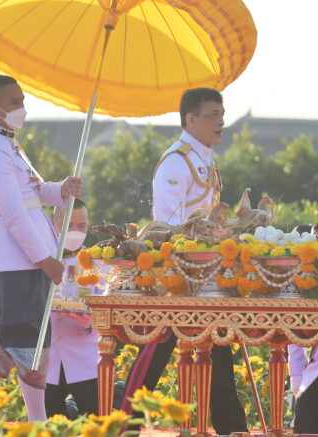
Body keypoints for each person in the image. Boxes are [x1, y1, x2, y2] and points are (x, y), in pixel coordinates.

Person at [0, 75, 84, 427]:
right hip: (12, 262)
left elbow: (33, 191)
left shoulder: (8, 143)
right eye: (13, 102)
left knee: (17, 348)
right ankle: (28, 423)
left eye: (21, 100)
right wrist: (43, 259)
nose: (20, 108)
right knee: (19, 348)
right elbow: (12, 212)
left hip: (23, 261)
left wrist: (62, 189)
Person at [121, 88, 248, 435]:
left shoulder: (203, 157)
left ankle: (231, 427)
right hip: (176, 280)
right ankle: (122, 422)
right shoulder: (177, 161)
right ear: (190, 119)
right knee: (155, 354)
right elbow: (167, 228)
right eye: (212, 115)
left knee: (219, 350)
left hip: (205, 277)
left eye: (222, 113)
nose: (221, 121)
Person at [44, 199, 101, 418]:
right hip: (46, 362)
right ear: (53, 224)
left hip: (86, 360)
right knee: (48, 427)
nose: (76, 231)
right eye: (68, 225)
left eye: (82, 226)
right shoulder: (38, 262)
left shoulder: (97, 263)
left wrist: (86, 319)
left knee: (96, 426)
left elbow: (106, 312)